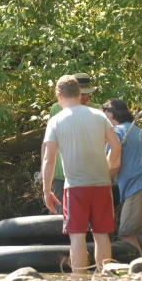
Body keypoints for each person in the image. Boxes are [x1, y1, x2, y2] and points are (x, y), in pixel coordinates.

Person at [42, 75, 121, 273]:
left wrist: (46, 190)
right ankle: (104, 279)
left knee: (77, 235)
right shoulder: (99, 115)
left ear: (59, 96)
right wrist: (106, 166)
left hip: (75, 186)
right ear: (80, 94)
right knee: (101, 234)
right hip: (101, 184)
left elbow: (49, 159)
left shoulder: (55, 120)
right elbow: (116, 146)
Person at [103, 99, 142, 256]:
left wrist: (102, 182)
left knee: (126, 233)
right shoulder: (137, 130)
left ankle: (139, 270)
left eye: (105, 116)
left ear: (113, 115)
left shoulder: (116, 132)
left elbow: (114, 165)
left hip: (139, 187)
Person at [44, 72, 100, 205]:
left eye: (86, 93)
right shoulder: (57, 108)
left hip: (89, 177)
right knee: (58, 220)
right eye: (81, 92)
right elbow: (47, 145)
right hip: (60, 175)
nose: (83, 96)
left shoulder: (97, 110)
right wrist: (44, 169)